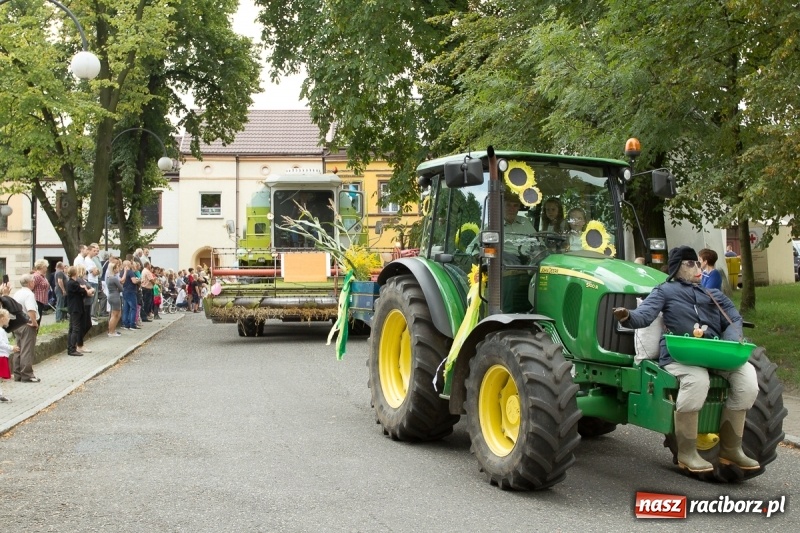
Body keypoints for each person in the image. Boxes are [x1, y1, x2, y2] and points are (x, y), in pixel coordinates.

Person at [612, 246, 759, 474]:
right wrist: (628, 316)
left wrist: (731, 342)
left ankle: (731, 448)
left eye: (698, 263)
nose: (698, 268)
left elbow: (733, 320)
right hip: (680, 355)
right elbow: (645, 315)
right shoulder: (664, 291)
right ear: (678, 268)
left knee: (748, 378)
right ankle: (687, 451)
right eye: (691, 264)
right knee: (697, 381)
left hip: (713, 353)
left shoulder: (713, 294)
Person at [11, 274, 40, 382]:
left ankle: (17, 373)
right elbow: (31, 310)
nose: (34, 282)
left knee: (18, 349)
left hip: (17, 324)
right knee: (27, 349)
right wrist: (34, 322)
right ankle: (27, 375)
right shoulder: (29, 294)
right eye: (33, 281)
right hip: (27, 324)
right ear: (29, 283)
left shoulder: (17, 293)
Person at [66, 266, 90, 356]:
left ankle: (70, 347)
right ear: (75, 273)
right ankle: (72, 349)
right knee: (75, 328)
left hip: (72, 307)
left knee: (72, 328)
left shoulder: (69, 283)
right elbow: (83, 292)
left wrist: (82, 288)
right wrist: (83, 288)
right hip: (76, 307)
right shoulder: (74, 283)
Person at [0, 308, 20, 401]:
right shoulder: (0, 331)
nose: (9, 319)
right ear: (2, 318)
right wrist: (11, 348)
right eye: (7, 317)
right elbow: (1, 344)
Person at [120, 260, 140, 330]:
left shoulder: (121, 272)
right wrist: (139, 280)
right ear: (129, 265)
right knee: (133, 308)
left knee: (126, 308)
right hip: (131, 291)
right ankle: (132, 324)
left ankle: (125, 323)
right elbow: (134, 281)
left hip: (124, 290)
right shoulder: (130, 272)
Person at [106, 262, 124, 337]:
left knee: (115, 314)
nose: (118, 269)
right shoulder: (114, 278)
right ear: (113, 269)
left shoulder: (108, 278)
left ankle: (112, 330)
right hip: (115, 296)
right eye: (116, 268)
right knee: (115, 315)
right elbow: (121, 288)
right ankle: (111, 331)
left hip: (110, 296)